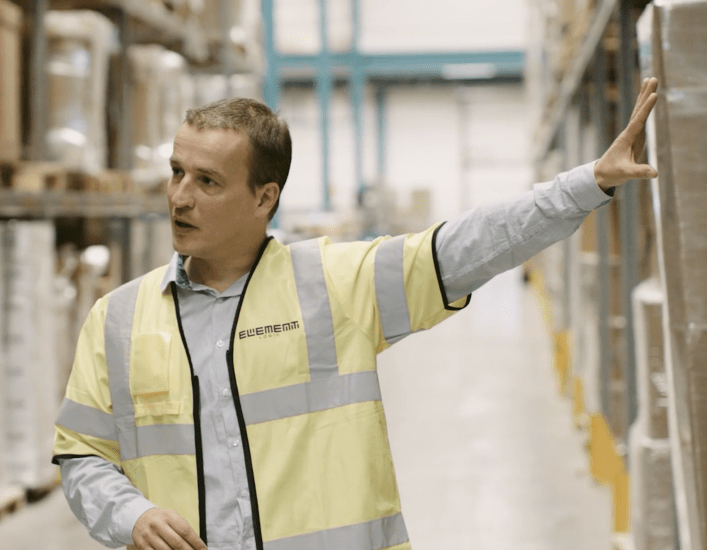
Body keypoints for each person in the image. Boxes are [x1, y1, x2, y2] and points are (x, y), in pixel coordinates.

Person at [53, 79, 660, 550]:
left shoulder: (337, 286)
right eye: (177, 172)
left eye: (207, 181)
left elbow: (468, 245)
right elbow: (82, 453)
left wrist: (588, 183)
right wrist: (130, 515)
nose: (180, 197)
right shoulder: (119, 318)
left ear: (265, 198)